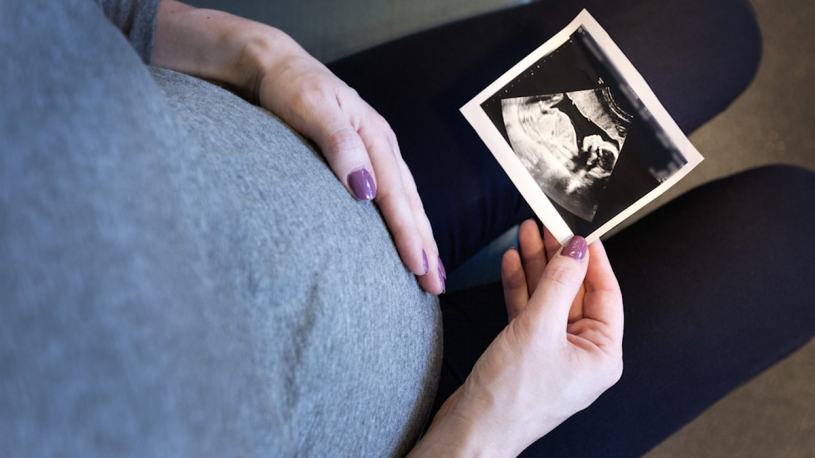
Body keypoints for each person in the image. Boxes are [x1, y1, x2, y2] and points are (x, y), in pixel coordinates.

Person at [1, 1, 813, 457]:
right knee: (790, 241)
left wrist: (254, 53)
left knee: (704, 29)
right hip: (440, 424)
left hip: (331, 155)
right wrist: (492, 421)